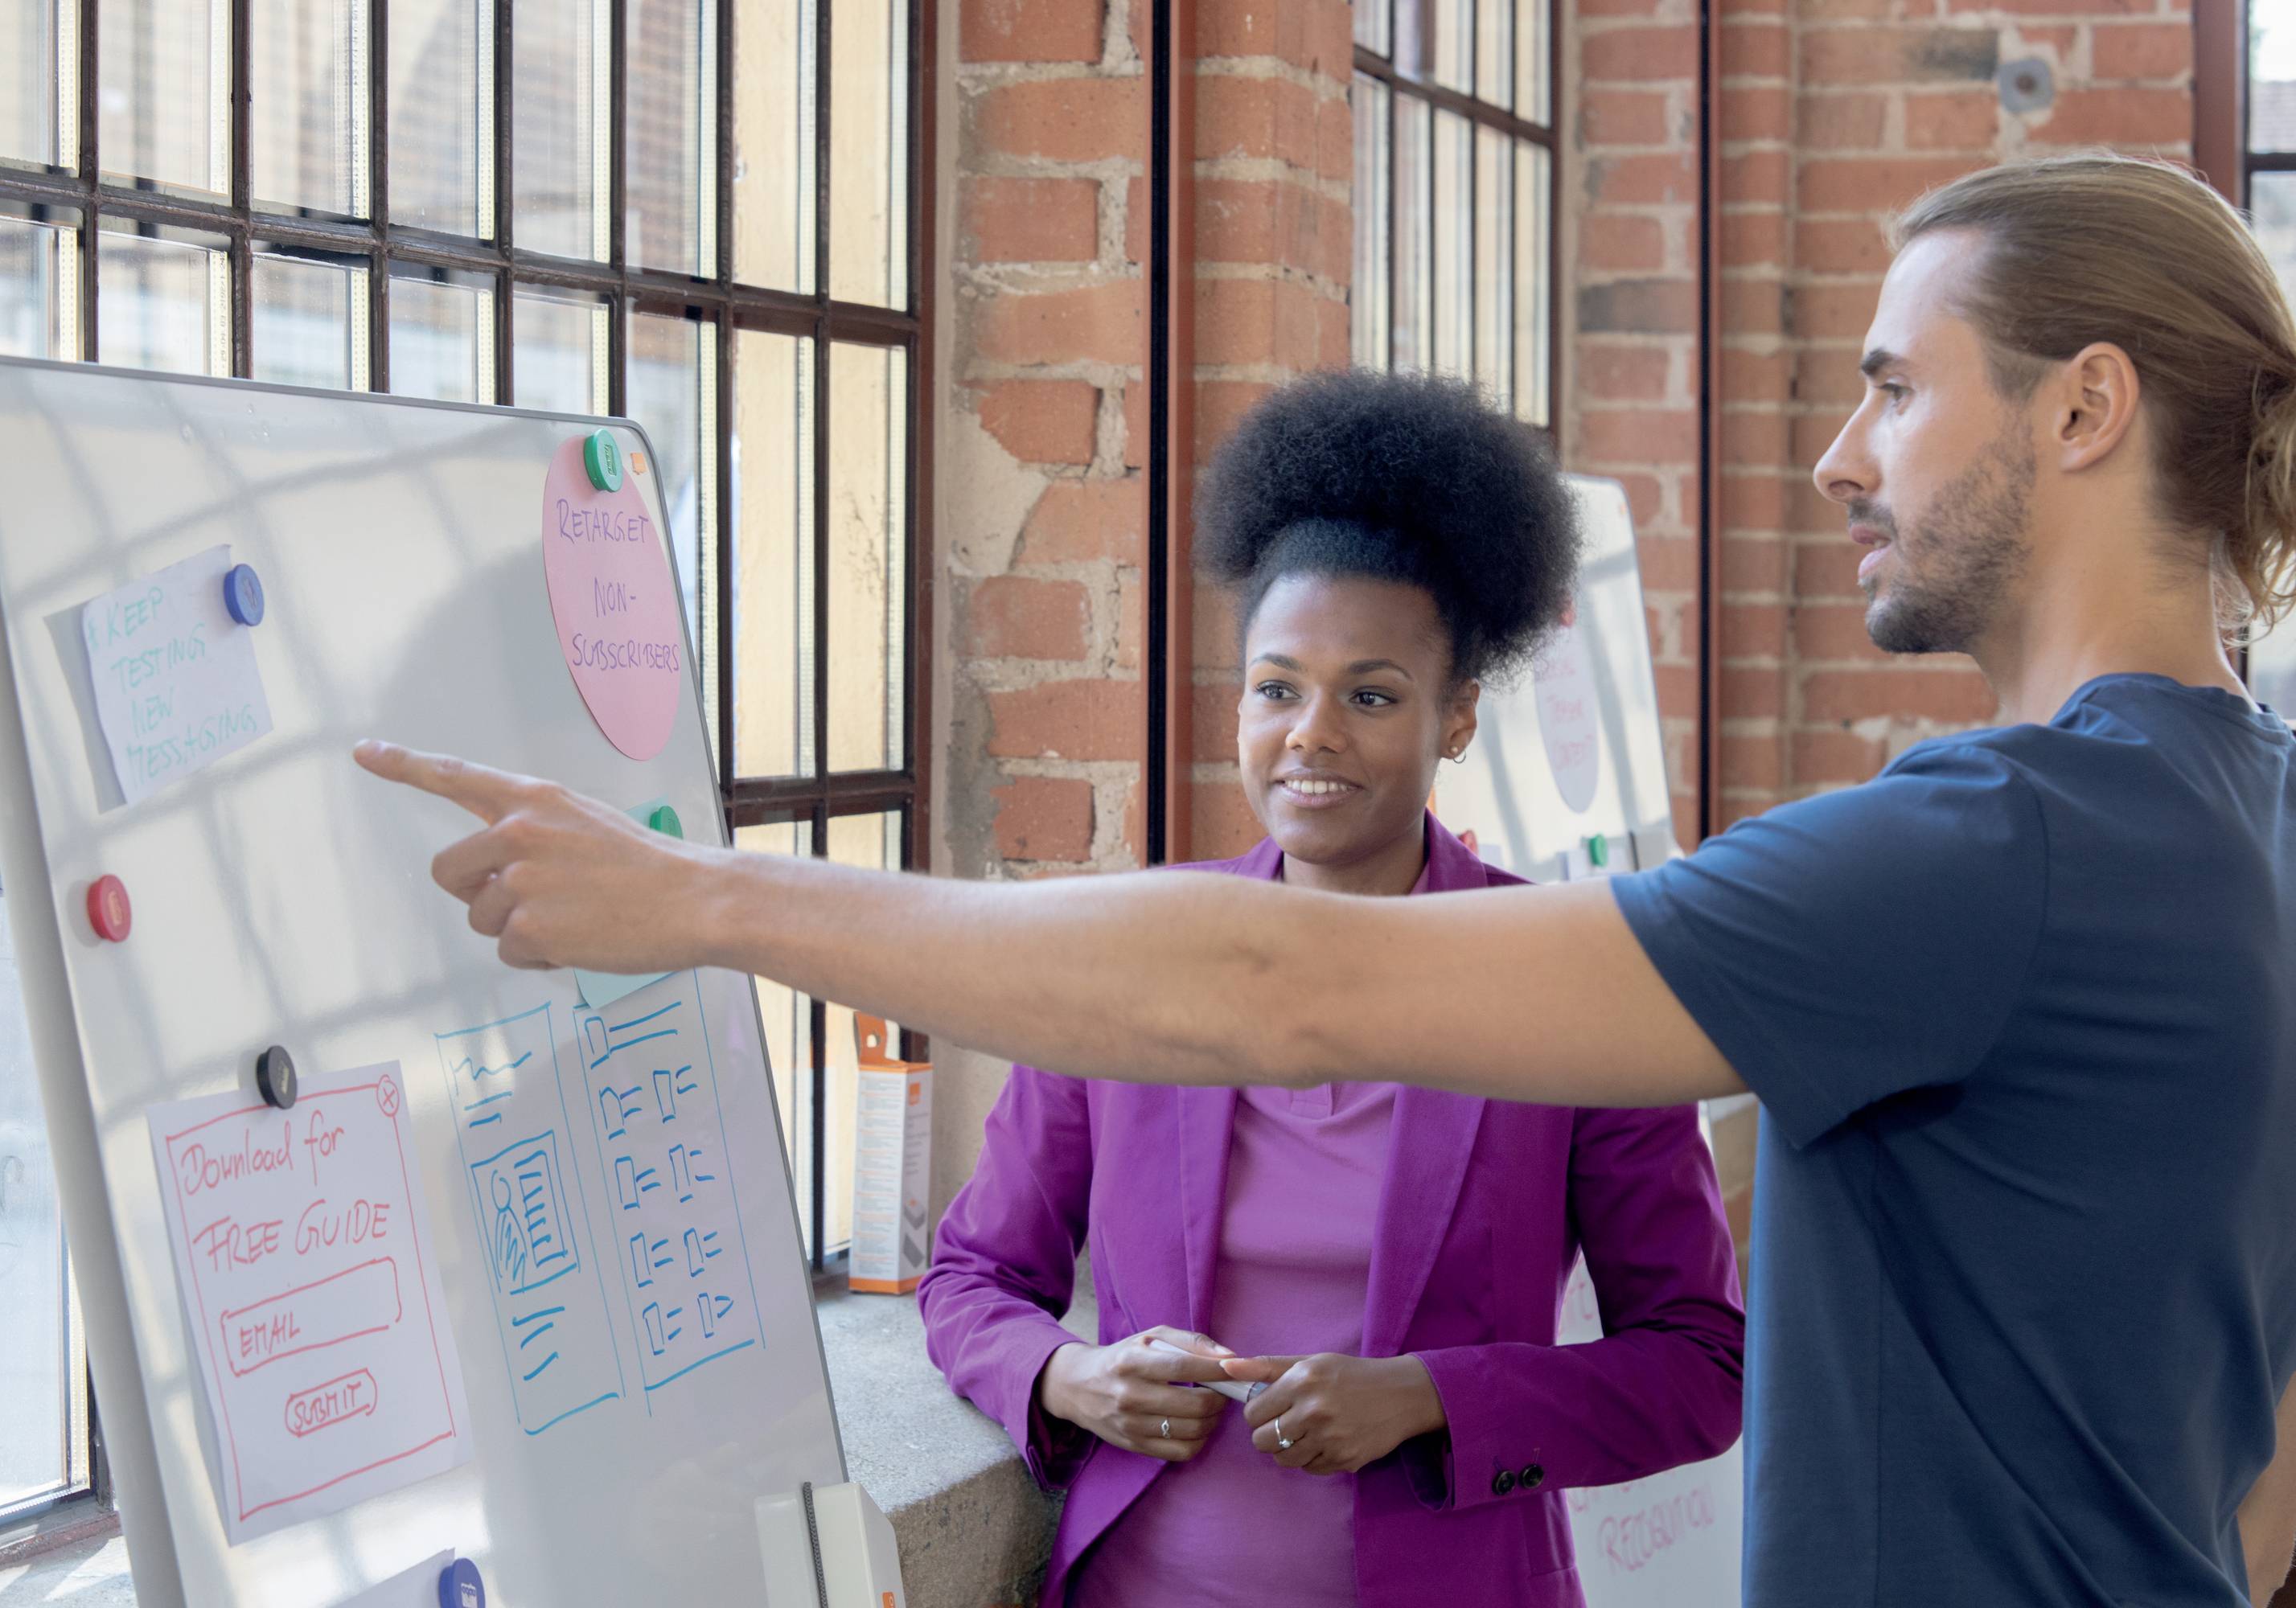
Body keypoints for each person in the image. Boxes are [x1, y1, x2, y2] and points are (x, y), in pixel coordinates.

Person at [357, 153, 2296, 1606]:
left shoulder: (1994, 841)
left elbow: (1289, 984)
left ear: (2082, 408)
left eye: (1894, 383)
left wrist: (707, 905)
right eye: (1278, 686)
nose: (1837, 455)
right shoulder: (2244, 811)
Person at [915, 372, 1744, 1608]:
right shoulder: (1141, 957)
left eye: (1370, 695)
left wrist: (1429, 1399)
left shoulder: (1567, 974)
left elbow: (1700, 1368)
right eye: (1276, 687)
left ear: (1456, 717)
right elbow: (973, 1276)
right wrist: (1065, 1376)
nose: (1311, 733)